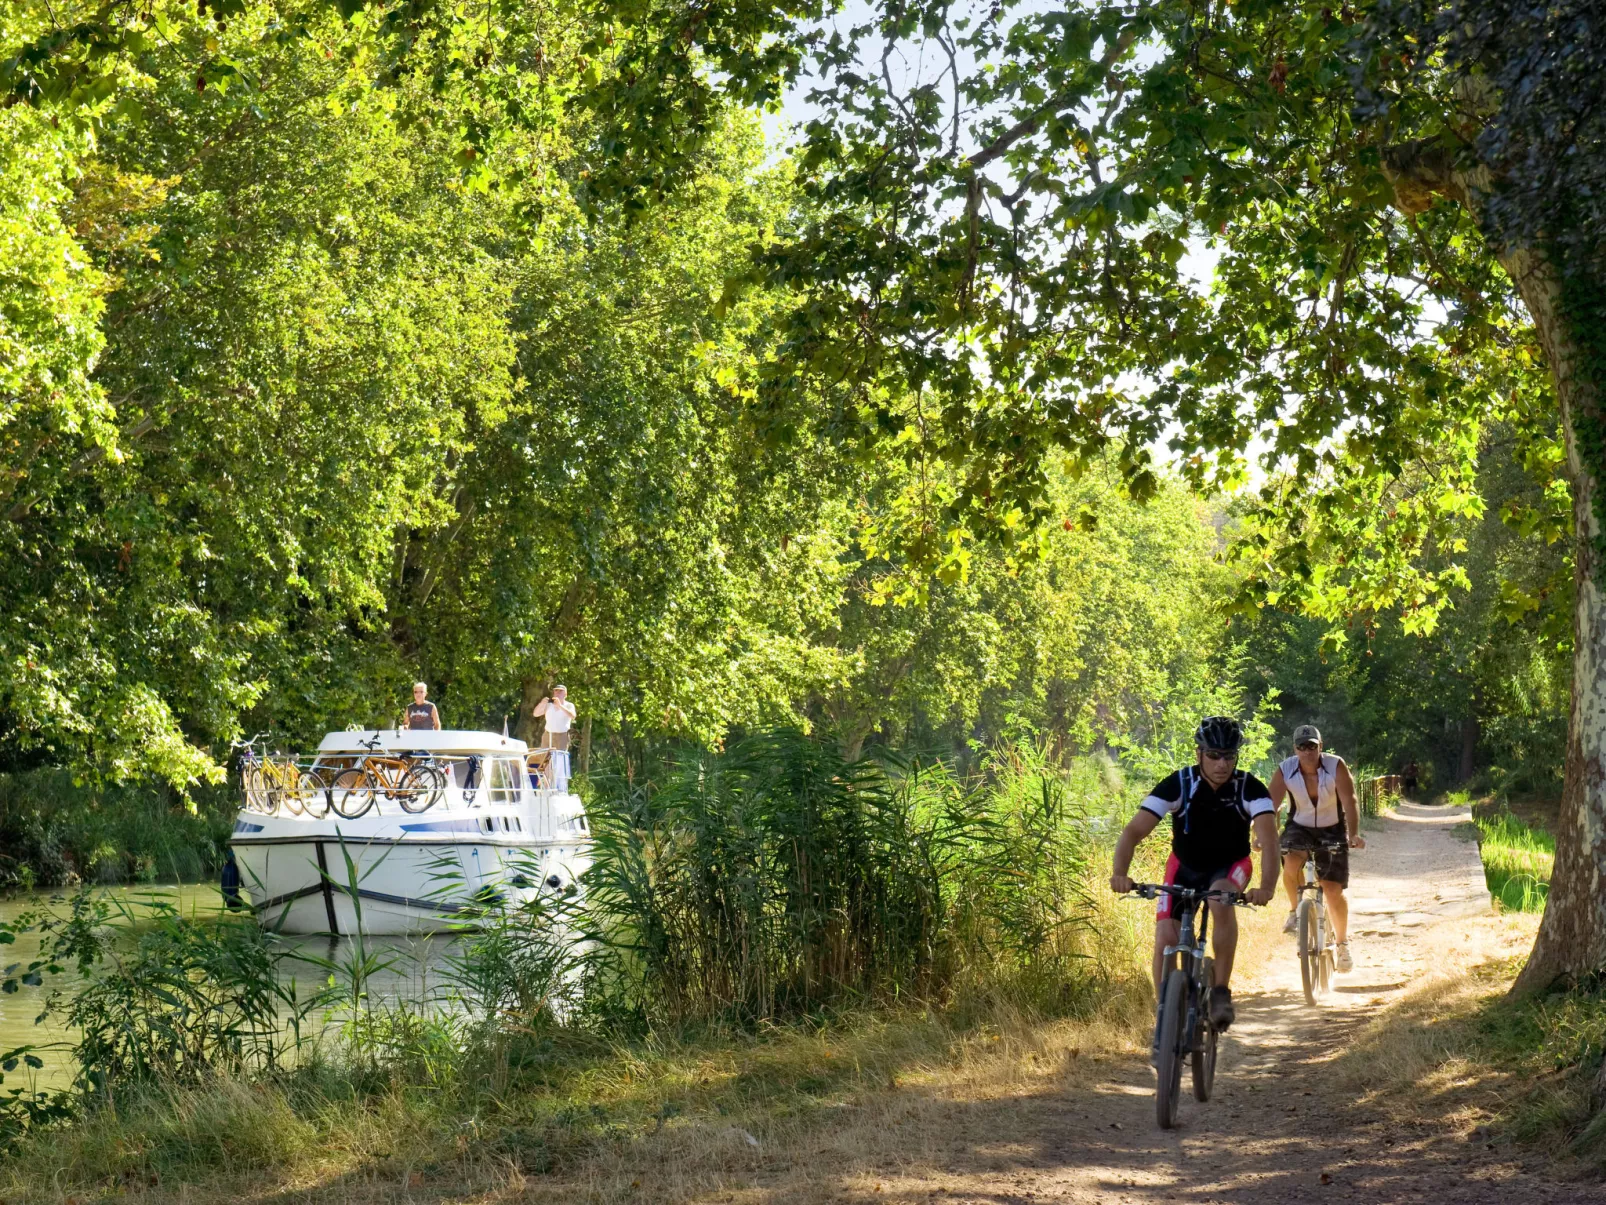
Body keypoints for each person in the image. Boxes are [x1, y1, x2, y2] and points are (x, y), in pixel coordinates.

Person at [1110, 716, 1279, 1034]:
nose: (1222, 763)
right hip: (1184, 867)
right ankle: (1165, 1017)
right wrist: (1120, 874)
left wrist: (1266, 887)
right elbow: (1133, 832)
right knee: (1166, 938)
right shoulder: (1179, 783)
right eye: (1214, 755)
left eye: (1229, 756)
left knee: (1220, 899)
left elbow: (1270, 842)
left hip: (1230, 867)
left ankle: (1220, 991)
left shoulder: (1250, 788)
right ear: (1199, 753)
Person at [1268, 724, 1365, 973]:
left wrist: (1353, 833)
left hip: (1332, 827)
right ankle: (1294, 911)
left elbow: (1349, 800)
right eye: (1302, 747)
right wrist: (1263, 837)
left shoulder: (1336, 766)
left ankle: (1342, 945)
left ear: (1320, 746)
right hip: (1299, 826)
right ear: (1295, 749)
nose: (1307, 751)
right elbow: (1270, 806)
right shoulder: (1285, 769)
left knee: (1332, 889)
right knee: (1291, 861)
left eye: (1311, 746)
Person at [533, 685, 576, 791]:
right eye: (556, 691)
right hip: (548, 734)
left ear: (565, 694)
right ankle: (545, 786)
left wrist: (560, 706)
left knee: (560, 760)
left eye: (560, 691)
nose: (557, 693)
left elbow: (572, 716)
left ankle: (560, 787)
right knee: (545, 760)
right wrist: (542, 703)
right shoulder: (549, 705)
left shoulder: (569, 705)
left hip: (562, 735)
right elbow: (536, 714)